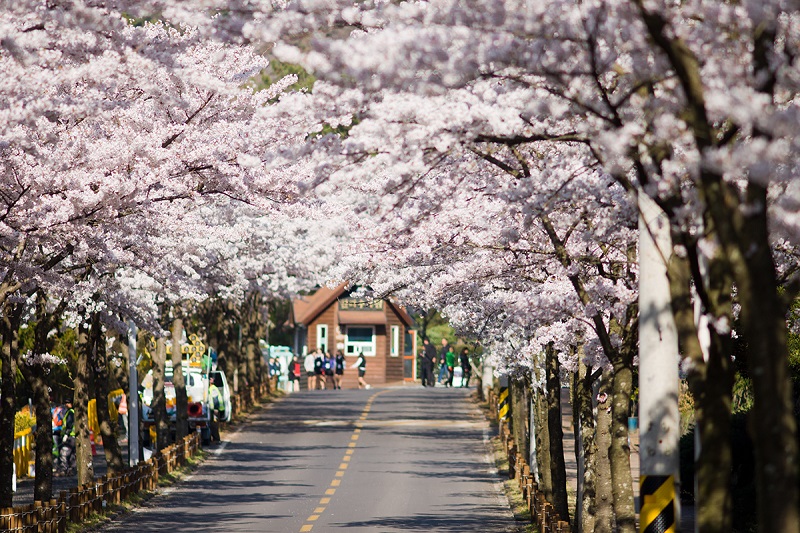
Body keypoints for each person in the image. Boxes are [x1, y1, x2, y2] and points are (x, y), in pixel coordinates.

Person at [56, 399, 76, 476]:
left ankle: (63, 470)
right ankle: (71, 470)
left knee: (64, 453)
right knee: (72, 455)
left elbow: (69, 425)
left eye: (68, 403)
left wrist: (66, 435)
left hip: (70, 436)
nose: (66, 404)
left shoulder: (70, 413)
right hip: (73, 436)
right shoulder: (71, 412)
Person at [208, 379, 224, 443]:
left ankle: (216, 439)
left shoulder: (213, 388)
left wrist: (215, 408)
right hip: (213, 409)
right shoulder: (211, 388)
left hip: (214, 409)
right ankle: (214, 439)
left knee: (214, 425)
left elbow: (215, 399)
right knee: (213, 424)